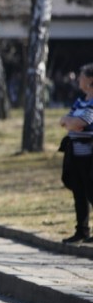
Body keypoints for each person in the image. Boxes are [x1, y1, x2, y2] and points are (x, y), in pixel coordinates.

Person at [59, 63, 93, 243]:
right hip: (76, 154)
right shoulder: (81, 100)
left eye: (82, 76)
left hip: (90, 156)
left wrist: (71, 121)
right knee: (79, 193)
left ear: (90, 80)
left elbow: (80, 123)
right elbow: (66, 121)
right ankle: (82, 230)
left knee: (92, 192)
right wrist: (71, 121)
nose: (79, 79)